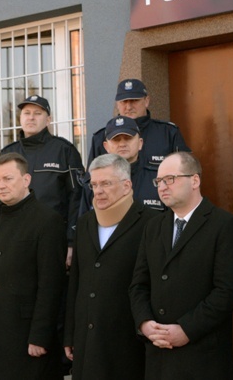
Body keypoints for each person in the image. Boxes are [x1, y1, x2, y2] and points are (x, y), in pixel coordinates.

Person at [129, 152, 233, 379]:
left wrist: (186, 329)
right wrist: (145, 323)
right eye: (158, 181)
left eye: (170, 179)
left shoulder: (225, 226)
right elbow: (138, 284)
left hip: (203, 356)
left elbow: (227, 292)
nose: (162, 187)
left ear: (195, 180)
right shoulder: (153, 227)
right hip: (158, 355)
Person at [64, 154, 158, 380]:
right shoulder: (86, 222)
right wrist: (70, 334)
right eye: (94, 184)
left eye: (106, 183)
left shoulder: (151, 222)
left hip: (128, 339)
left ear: (127, 185)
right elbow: (75, 280)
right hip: (87, 338)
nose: (98, 191)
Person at [0, 152, 66, 380]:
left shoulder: (47, 221)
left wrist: (40, 336)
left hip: (29, 339)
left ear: (26, 180)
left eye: (8, 178)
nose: (1, 185)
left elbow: (51, 285)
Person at [0, 95, 84, 266]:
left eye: (37, 113)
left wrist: (71, 242)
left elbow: (77, 199)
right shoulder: (8, 153)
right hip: (14, 238)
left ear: (48, 119)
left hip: (53, 238)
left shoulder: (64, 150)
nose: (31, 117)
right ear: (20, 118)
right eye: (26, 113)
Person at [88, 79, 189, 168]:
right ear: (117, 104)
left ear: (146, 101)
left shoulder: (168, 133)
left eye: (134, 101)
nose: (128, 107)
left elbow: (186, 171)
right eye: (124, 102)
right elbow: (90, 182)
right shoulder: (102, 137)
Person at [81, 116, 164, 213]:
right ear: (106, 146)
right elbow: (84, 222)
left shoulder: (159, 179)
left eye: (128, 138)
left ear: (140, 143)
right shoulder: (93, 183)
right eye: (116, 140)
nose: (122, 144)